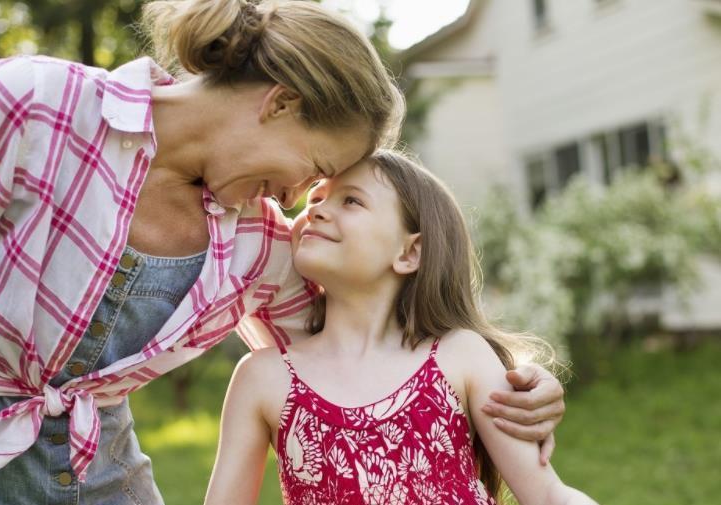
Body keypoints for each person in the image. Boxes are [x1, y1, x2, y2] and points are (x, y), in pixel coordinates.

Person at [0, 1, 564, 504]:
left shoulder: (262, 244)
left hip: (107, 484)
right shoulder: (28, 108)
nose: (301, 197)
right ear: (281, 103)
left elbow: (364, 357)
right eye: (314, 167)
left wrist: (517, 384)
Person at [205, 150, 595, 505]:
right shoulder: (262, 377)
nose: (316, 211)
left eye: (351, 201)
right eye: (317, 198)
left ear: (409, 252)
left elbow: (546, 494)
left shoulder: (460, 355)